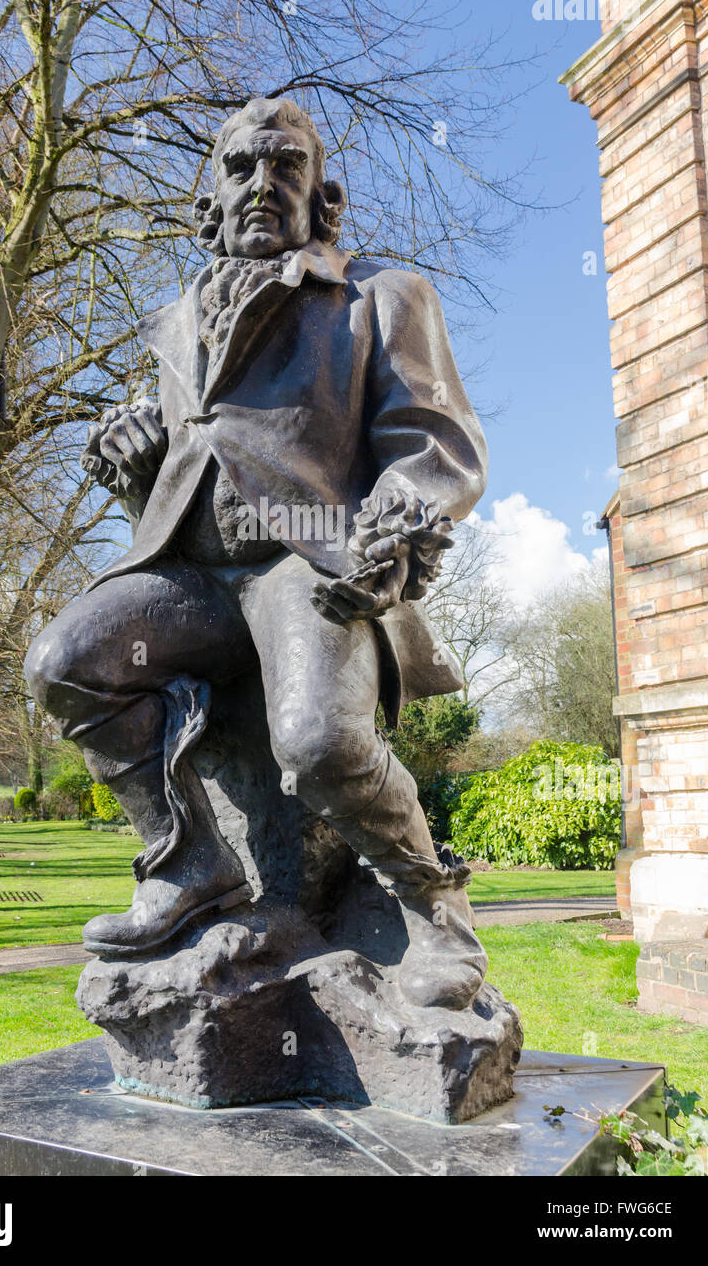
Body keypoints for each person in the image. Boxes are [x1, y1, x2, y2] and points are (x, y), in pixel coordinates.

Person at [25, 96, 489, 1009]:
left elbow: (433, 444)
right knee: (64, 663)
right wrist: (132, 459)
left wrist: (394, 529)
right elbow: (179, 464)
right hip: (190, 576)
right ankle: (188, 861)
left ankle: (434, 909)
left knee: (318, 743)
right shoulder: (173, 323)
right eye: (241, 168)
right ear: (211, 198)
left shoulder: (379, 297)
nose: (262, 184)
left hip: (304, 562)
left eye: (286, 167)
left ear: (321, 194)